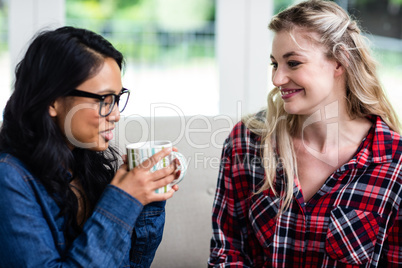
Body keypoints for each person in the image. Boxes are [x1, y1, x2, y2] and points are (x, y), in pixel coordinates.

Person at [208, 0, 402, 267]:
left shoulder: (395, 162)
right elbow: (226, 253)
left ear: (339, 62)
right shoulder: (247, 140)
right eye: (275, 64)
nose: (277, 79)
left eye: (294, 63)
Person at [0, 26, 180, 267]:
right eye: (104, 100)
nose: (116, 114)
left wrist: (147, 198)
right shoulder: (9, 178)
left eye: (117, 98)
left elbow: (136, 264)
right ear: (52, 100)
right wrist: (124, 200)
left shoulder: (86, 165)